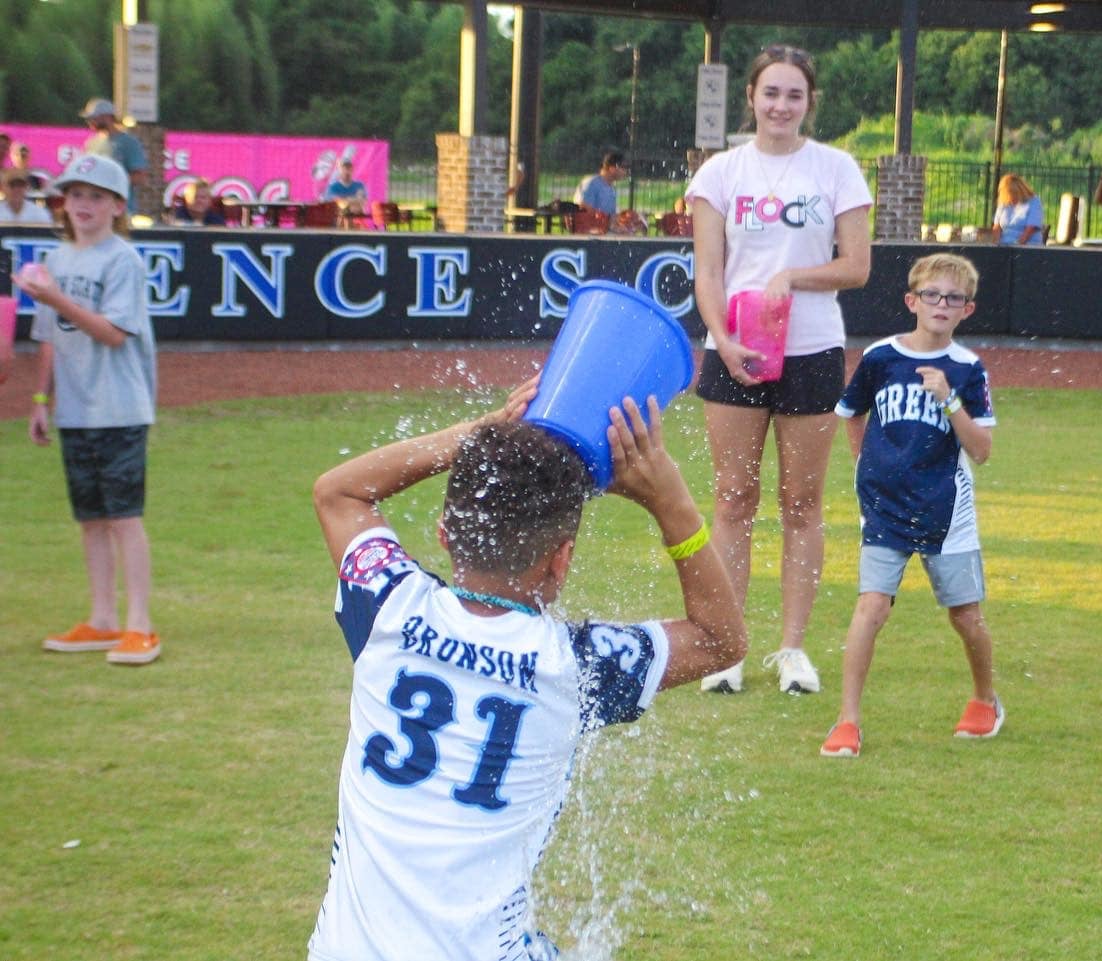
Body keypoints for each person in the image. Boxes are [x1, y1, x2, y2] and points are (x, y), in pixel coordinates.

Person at [306, 387, 747, 961]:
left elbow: (338, 492)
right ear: (560, 560)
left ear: (444, 532)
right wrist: (673, 506)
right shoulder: (575, 666)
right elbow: (721, 639)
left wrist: (471, 437)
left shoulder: (388, 607)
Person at [685, 43, 872, 695]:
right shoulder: (720, 173)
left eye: (794, 95)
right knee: (733, 500)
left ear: (808, 102)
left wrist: (796, 275)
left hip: (813, 349)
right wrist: (720, 338)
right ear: (752, 98)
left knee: (802, 503)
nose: (781, 105)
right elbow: (708, 271)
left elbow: (857, 265)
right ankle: (727, 647)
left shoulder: (837, 168)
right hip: (735, 349)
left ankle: (792, 649)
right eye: (771, 93)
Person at [820, 252, 1002, 758]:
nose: (941, 305)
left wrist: (949, 400)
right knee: (870, 606)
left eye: (953, 299)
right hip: (884, 507)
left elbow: (982, 451)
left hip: (946, 510)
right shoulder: (881, 357)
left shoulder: (968, 370)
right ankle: (847, 721)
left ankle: (986, 700)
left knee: (965, 616)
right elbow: (851, 414)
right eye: (932, 296)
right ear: (912, 301)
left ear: (967, 309)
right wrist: (865, 467)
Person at [16, 154, 160, 665]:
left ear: (118, 206)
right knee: (91, 520)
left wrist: (54, 298)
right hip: (76, 410)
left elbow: (114, 335)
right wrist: (40, 400)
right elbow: (50, 340)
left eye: (96, 196)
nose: (83, 205)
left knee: (123, 517)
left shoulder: (123, 261)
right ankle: (102, 620)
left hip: (119, 407)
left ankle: (140, 624)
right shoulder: (56, 261)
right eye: (76, 195)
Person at [80, 98, 148, 215]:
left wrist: (111, 182)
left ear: (108, 117)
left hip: (121, 210)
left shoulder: (128, 142)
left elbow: (139, 177)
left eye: (94, 117)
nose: (90, 121)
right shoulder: (91, 144)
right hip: (94, 210)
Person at [992, 173, 1044, 246]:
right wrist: (996, 243)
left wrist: (1017, 245)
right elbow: (997, 226)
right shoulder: (1004, 203)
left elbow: (1031, 228)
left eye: (1014, 193)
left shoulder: (1034, 202)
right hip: (1004, 245)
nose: (1011, 197)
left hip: (1027, 245)